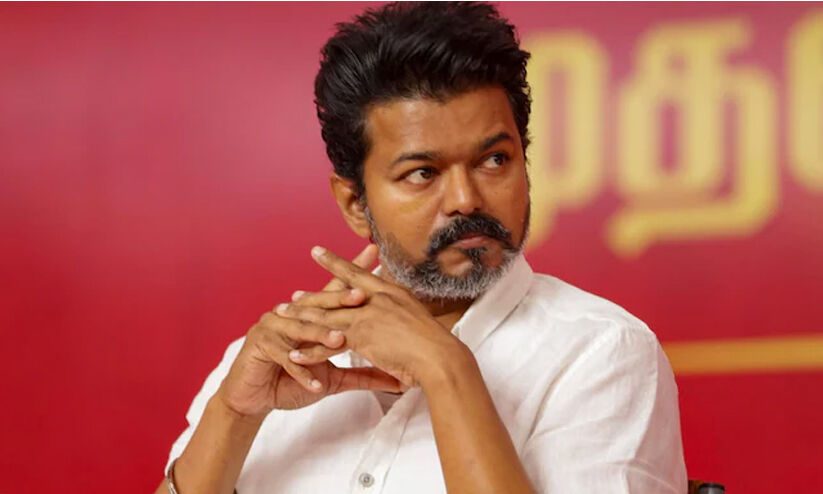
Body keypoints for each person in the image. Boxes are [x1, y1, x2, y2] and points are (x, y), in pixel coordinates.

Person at [156, 2, 687, 493]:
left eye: (495, 160)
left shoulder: (600, 353)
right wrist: (233, 414)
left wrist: (444, 367)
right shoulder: (281, 359)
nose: (466, 199)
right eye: (423, 173)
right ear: (355, 203)